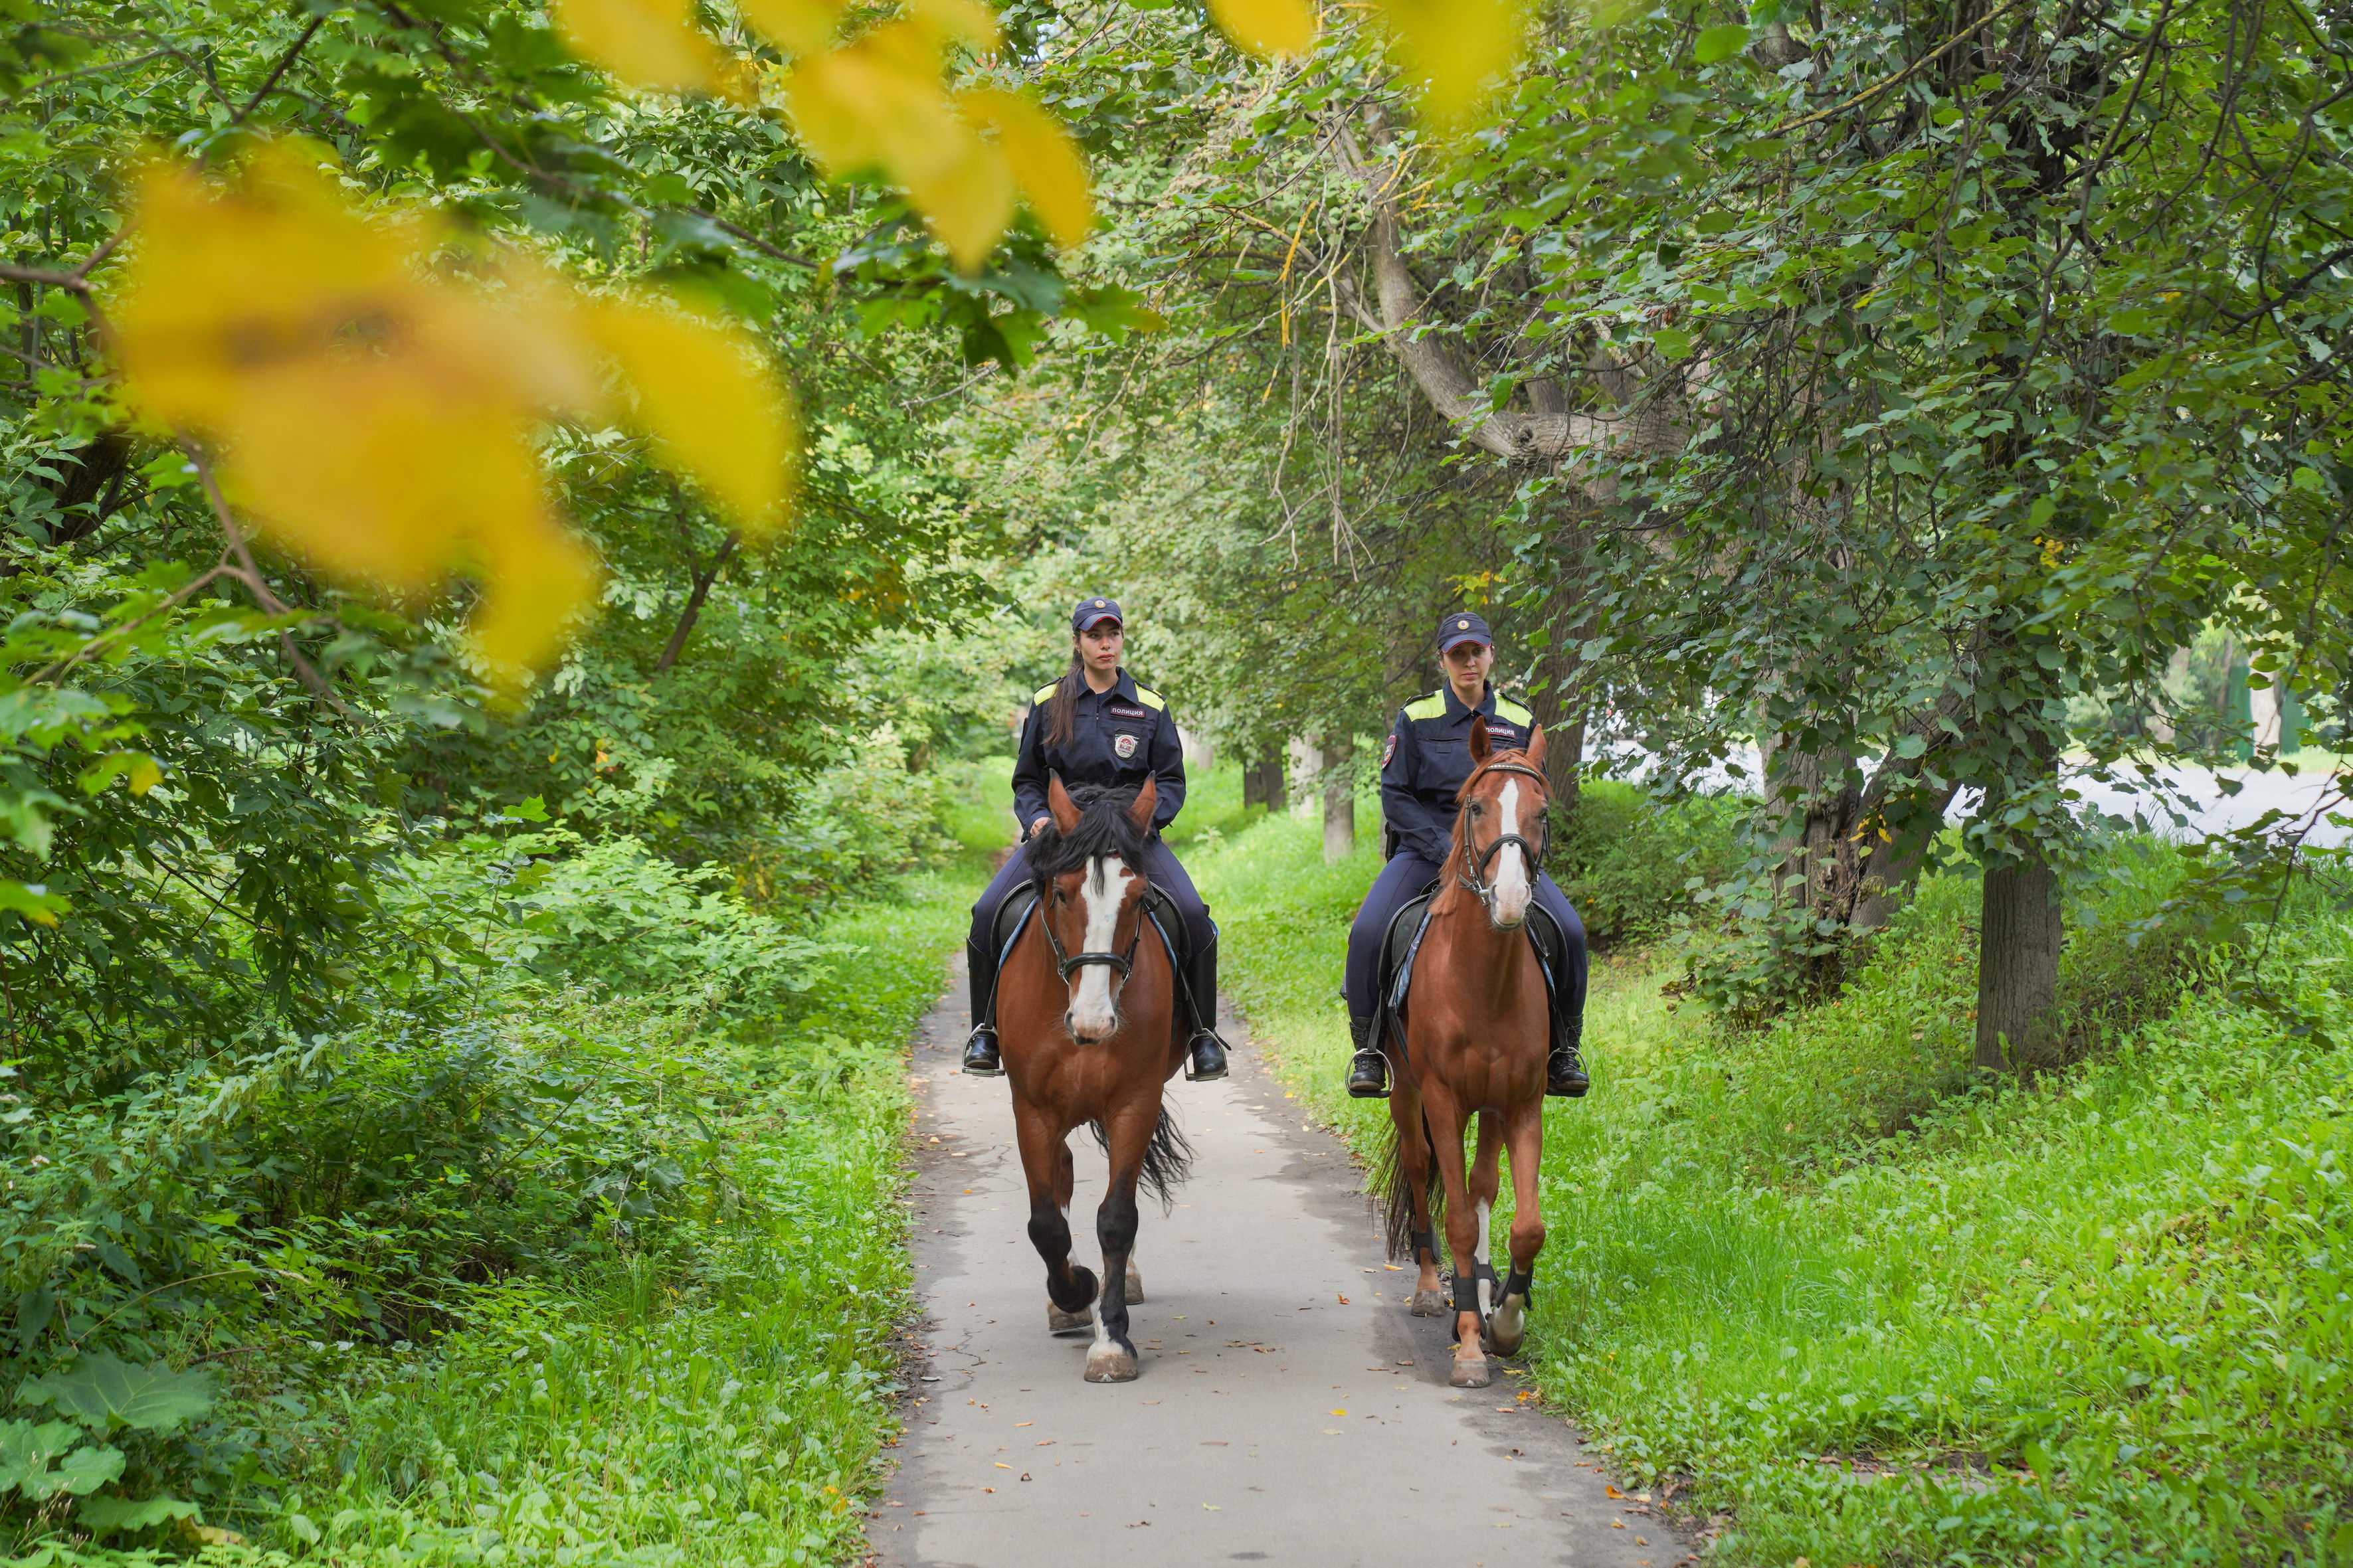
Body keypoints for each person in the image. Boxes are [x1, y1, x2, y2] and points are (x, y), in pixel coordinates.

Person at [963, 596, 1230, 1083]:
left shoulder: (1150, 706)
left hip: (1128, 836)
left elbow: (1171, 781)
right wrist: (1038, 819)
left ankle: (1203, 1035)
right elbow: (1028, 779)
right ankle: (986, 1031)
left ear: (1122, 638)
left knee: (1193, 915)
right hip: (1062, 836)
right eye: (1094, 635)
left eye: (1113, 634)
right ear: (1077, 641)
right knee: (986, 914)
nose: (1106, 644)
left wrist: (1142, 823)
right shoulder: (1048, 702)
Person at [1342, 610, 1591, 1100]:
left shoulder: (1519, 720)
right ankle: (1369, 1050)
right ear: (1444, 661)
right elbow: (1395, 795)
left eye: (1477, 651)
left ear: (1491, 654)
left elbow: (1534, 797)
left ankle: (1564, 1049)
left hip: (1503, 853)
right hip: (1426, 849)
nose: (1469, 662)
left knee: (1570, 931)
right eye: (1458, 654)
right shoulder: (1417, 717)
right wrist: (1446, 850)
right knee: (1368, 931)